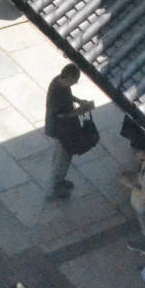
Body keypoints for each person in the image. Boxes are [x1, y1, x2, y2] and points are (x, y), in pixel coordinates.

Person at [45, 63, 96, 199]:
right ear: (66, 77)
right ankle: (55, 186)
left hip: (66, 128)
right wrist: (80, 111)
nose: (73, 84)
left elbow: (69, 95)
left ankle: (60, 180)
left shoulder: (60, 82)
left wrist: (79, 101)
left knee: (65, 155)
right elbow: (61, 116)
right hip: (60, 130)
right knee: (62, 157)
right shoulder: (56, 94)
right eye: (72, 81)